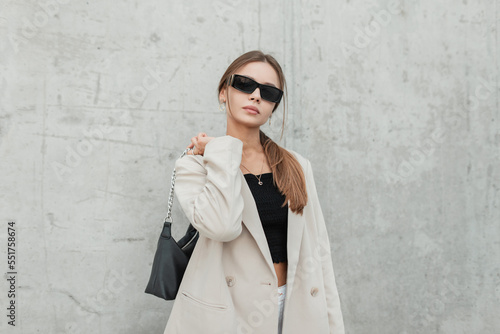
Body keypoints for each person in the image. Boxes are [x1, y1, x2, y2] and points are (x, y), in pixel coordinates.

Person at [163, 50, 345, 334]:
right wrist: (220, 151)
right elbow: (222, 226)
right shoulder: (195, 165)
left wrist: (334, 326)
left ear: (274, 105)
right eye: (245, 84)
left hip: (297, 309)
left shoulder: (297, 166)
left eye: (269, 91)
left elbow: (319, 253)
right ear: (224, 92)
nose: (256, 95)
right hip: (230, 312)